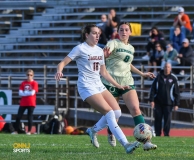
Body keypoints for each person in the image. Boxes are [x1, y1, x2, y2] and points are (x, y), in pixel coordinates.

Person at [55, 24, 140, 154]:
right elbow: (62, 63)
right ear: (86, 35)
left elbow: (104, 73)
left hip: (98, 85)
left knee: (117, 112)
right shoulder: (80, 48)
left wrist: (119, 86)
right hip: (86, 86)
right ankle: (126, 144)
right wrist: (59, 71)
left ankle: (92, 130)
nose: (97, 36)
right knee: (110, 113)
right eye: (94, 33)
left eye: (99, 33)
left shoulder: (100, 50)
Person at [99, 22, 157, 151]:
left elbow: (128, 64)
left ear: (130, 32)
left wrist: (142, 73)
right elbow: (104, 54)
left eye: (126, 30)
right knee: (114, 114)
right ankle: (110, 132)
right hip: (111, 83)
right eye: (121, 30)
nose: (123, 32)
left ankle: (146, 141)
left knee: (136, 109)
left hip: (127, 81)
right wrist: (105, 55)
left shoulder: (131, 48)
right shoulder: (113, 43)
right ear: (118, 32)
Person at [149, 62, 180, 136]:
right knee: (158, 118)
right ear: (163, 67)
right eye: (165, 67)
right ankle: (157, 133)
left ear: (170, 68)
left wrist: (176, 103)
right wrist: (152, 100)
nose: (167, 68)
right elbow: (153, 89)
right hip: (158, 102)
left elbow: (177, 92)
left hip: (169, 103)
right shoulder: (158, 77)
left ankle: (166, 134)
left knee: (167, 119)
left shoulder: (173, 78)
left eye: (168, 67)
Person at [12, 69, 38, 135]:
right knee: (18, 116)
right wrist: (27, 93)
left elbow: (32, 93)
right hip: (23, 102)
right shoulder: (23, 83)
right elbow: (20, 93)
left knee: (29, 117)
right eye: (28, 75)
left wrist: (25, 92)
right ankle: (15, 131)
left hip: (31, 102)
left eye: (31, 75)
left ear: (33, 75)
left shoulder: (34, 83)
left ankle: (29, 131)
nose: (29, 76)